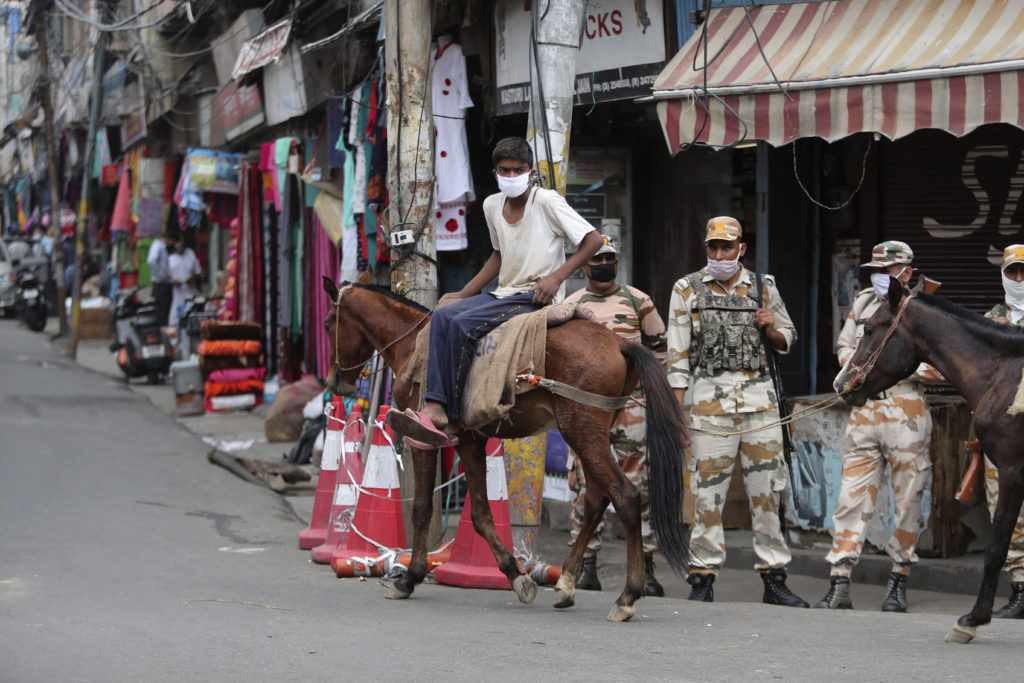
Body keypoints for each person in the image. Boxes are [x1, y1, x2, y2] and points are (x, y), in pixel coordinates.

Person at [388, 136, 602, 447]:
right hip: (504, 293)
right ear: (495, 173)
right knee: (443, 314)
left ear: (531, 172)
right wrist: (463, 293)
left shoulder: (546, 201)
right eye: (506, 171)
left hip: (533, 295)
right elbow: (498, 255)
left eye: (519, 170)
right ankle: (436, 408)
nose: (512, 177)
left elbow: (593, 240)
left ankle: (444, 413)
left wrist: (556, 278)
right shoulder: (491, 204)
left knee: (461, 325)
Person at [666, 216, 808, 607]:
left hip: (761, 406)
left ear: (741, 249)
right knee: (707, 495)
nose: (719, 254)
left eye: (726, 247)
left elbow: (788, 338)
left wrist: (770, 327)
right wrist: (677, 416)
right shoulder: (686, 289)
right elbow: (677, 357)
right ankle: (702, 577)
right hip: (710, 408)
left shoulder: (764, 287)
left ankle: (774, 578)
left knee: (768, 495)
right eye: (713, 247)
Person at [816, 240, 940, 612]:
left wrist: (892, 367)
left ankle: (898, 579)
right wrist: (854, 371)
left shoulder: (926, 308)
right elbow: (844, 347)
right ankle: (839, 582)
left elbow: (938, 367)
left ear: (907, 271)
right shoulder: (866, 301)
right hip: (866, 410)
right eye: (876, 270)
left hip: (907, 413)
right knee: (849, 499)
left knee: (907, 501)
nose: (880, 277)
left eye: (887, 271)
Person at [562, 236, 668, 596]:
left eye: (610, 257)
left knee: (638, 488)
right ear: (584, 265)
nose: (604, 263)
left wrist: (656, 403)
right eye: (597, 258)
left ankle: (646, 567)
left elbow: (659, 355)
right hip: (583, 411)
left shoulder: (639, 301)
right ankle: (585, 565)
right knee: (582, 488)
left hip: (632, 409)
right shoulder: (571, 305)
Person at [980, 243, 1024, 618]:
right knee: (1005, 511)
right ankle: (1019, 588)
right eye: (1013, 272)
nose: (1019, 279)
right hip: (1003, 436)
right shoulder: (992, 318)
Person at [168, 234, 202, 329]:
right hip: (178, 294)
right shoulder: (171, 258)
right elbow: (166, 277)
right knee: (175, 320)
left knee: (193, 317)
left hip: (191, 292)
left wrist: (191, 278)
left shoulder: (190, 254)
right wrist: (173, 281)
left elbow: (198, 272)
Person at [147, 229, 177, 327]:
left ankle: (163, 331)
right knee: (162, 311)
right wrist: (162, 274)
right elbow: (151, 261)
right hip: (161, 284)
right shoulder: (158, 246)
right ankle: (161, 332)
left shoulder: (162, 247)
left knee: (165, 310)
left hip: (164, 284)